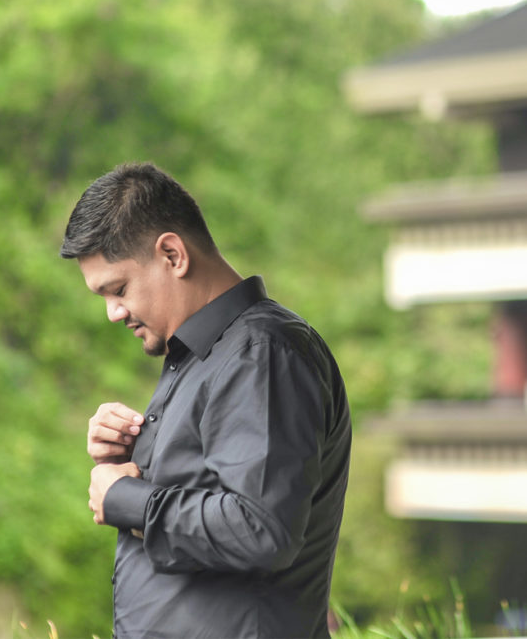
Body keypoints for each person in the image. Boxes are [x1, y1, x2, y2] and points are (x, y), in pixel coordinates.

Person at [60, 162, 352, 638]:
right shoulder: (206, 355)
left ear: (173, 254)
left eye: (118, 289)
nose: (113, 313)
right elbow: (213, 488)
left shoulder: (261, 354)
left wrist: (126, 500)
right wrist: (132, 453)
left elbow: (260, 529)